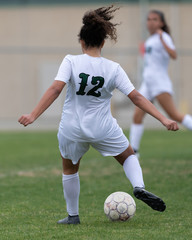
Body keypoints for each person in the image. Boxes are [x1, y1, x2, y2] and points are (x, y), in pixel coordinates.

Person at [18, 6, 179, 225]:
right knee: (128, 155)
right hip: (103, 127)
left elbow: (55, 89)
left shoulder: (71, 61)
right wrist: (163, 119)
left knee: (69, 168)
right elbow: (137, 97)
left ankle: (73, 216)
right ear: (103, 42)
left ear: (81, 42)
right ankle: (139, 187)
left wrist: (33, 115)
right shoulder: (113, 68)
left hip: (72, 127)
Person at [130, 10, 192, 155]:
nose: (151, 22)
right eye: (149, 19)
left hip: (159, 83)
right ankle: (134, 152)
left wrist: (163, 39)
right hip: (148, 83)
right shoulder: (149, 40)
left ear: (161, 23)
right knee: (137, 116)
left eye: (155, 19)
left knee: (174, 115)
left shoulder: (163, 36)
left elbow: (174, 55)